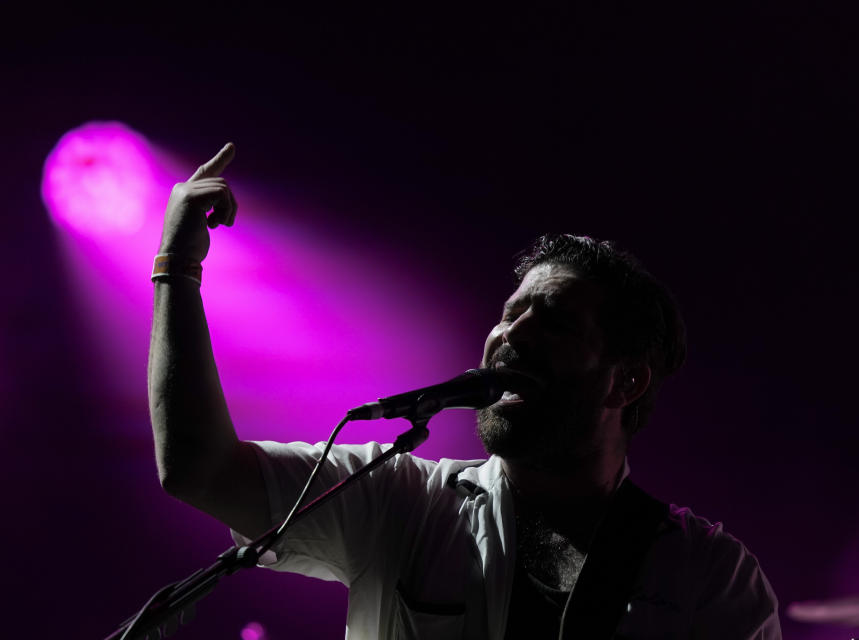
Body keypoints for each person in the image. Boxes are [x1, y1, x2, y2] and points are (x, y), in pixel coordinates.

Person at [148, 143, 781, 639]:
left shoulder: (710, 578)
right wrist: (176, 270)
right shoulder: (401, 500)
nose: (514, 334)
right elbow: (200, 470)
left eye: (555, 320)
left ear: (627, 379)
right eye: (510, 313)